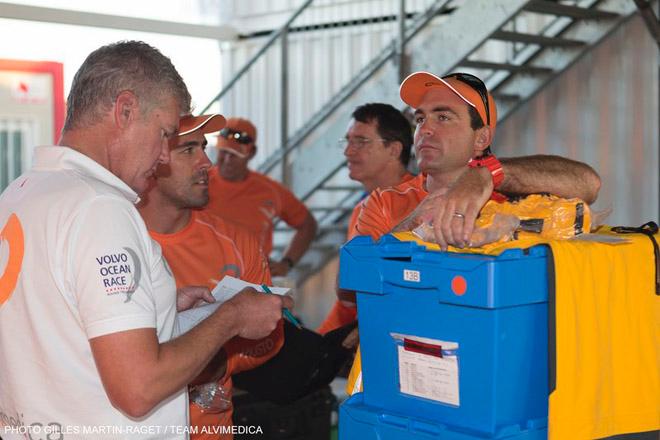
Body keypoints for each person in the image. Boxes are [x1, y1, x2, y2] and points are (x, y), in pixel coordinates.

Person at [0, 41, 290, 439]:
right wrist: (232, 316)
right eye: (166, 133)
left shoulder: (22, 193)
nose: (164, 156)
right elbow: (139, 389)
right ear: (125, 110)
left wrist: (159, 308)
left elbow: (60, 320)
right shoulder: (100, 207)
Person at [138, 113, 284, 439]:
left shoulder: (238, 241)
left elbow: (273, 339)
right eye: (188, 150)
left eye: (203, 148)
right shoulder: (113, 241)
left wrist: (221, 362)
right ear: (152, 158)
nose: (207, 162)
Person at [355, 71, 601, 248]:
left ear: (481, 139)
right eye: (420, 119)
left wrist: (488, 174)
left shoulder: (516, 196)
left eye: (443, 117)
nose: (425, 129)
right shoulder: (384, 202)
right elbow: (349, 288)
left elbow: (589, 183)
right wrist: (411, 224)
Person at [317, 103, 415, 334]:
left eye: (361, 142)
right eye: (348, 141)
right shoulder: (361, 209)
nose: (348, 151)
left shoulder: (420, 201)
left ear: (393, 150)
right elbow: (348, 301)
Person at [204, 118, 317, 277]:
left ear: (252, 153)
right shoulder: (198, 183)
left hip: (253, 282)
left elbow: (308, 225)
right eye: (224, 152)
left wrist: (286, 263)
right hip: (202, 279)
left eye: (235, 154)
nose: (227, 160)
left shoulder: (270, 191)